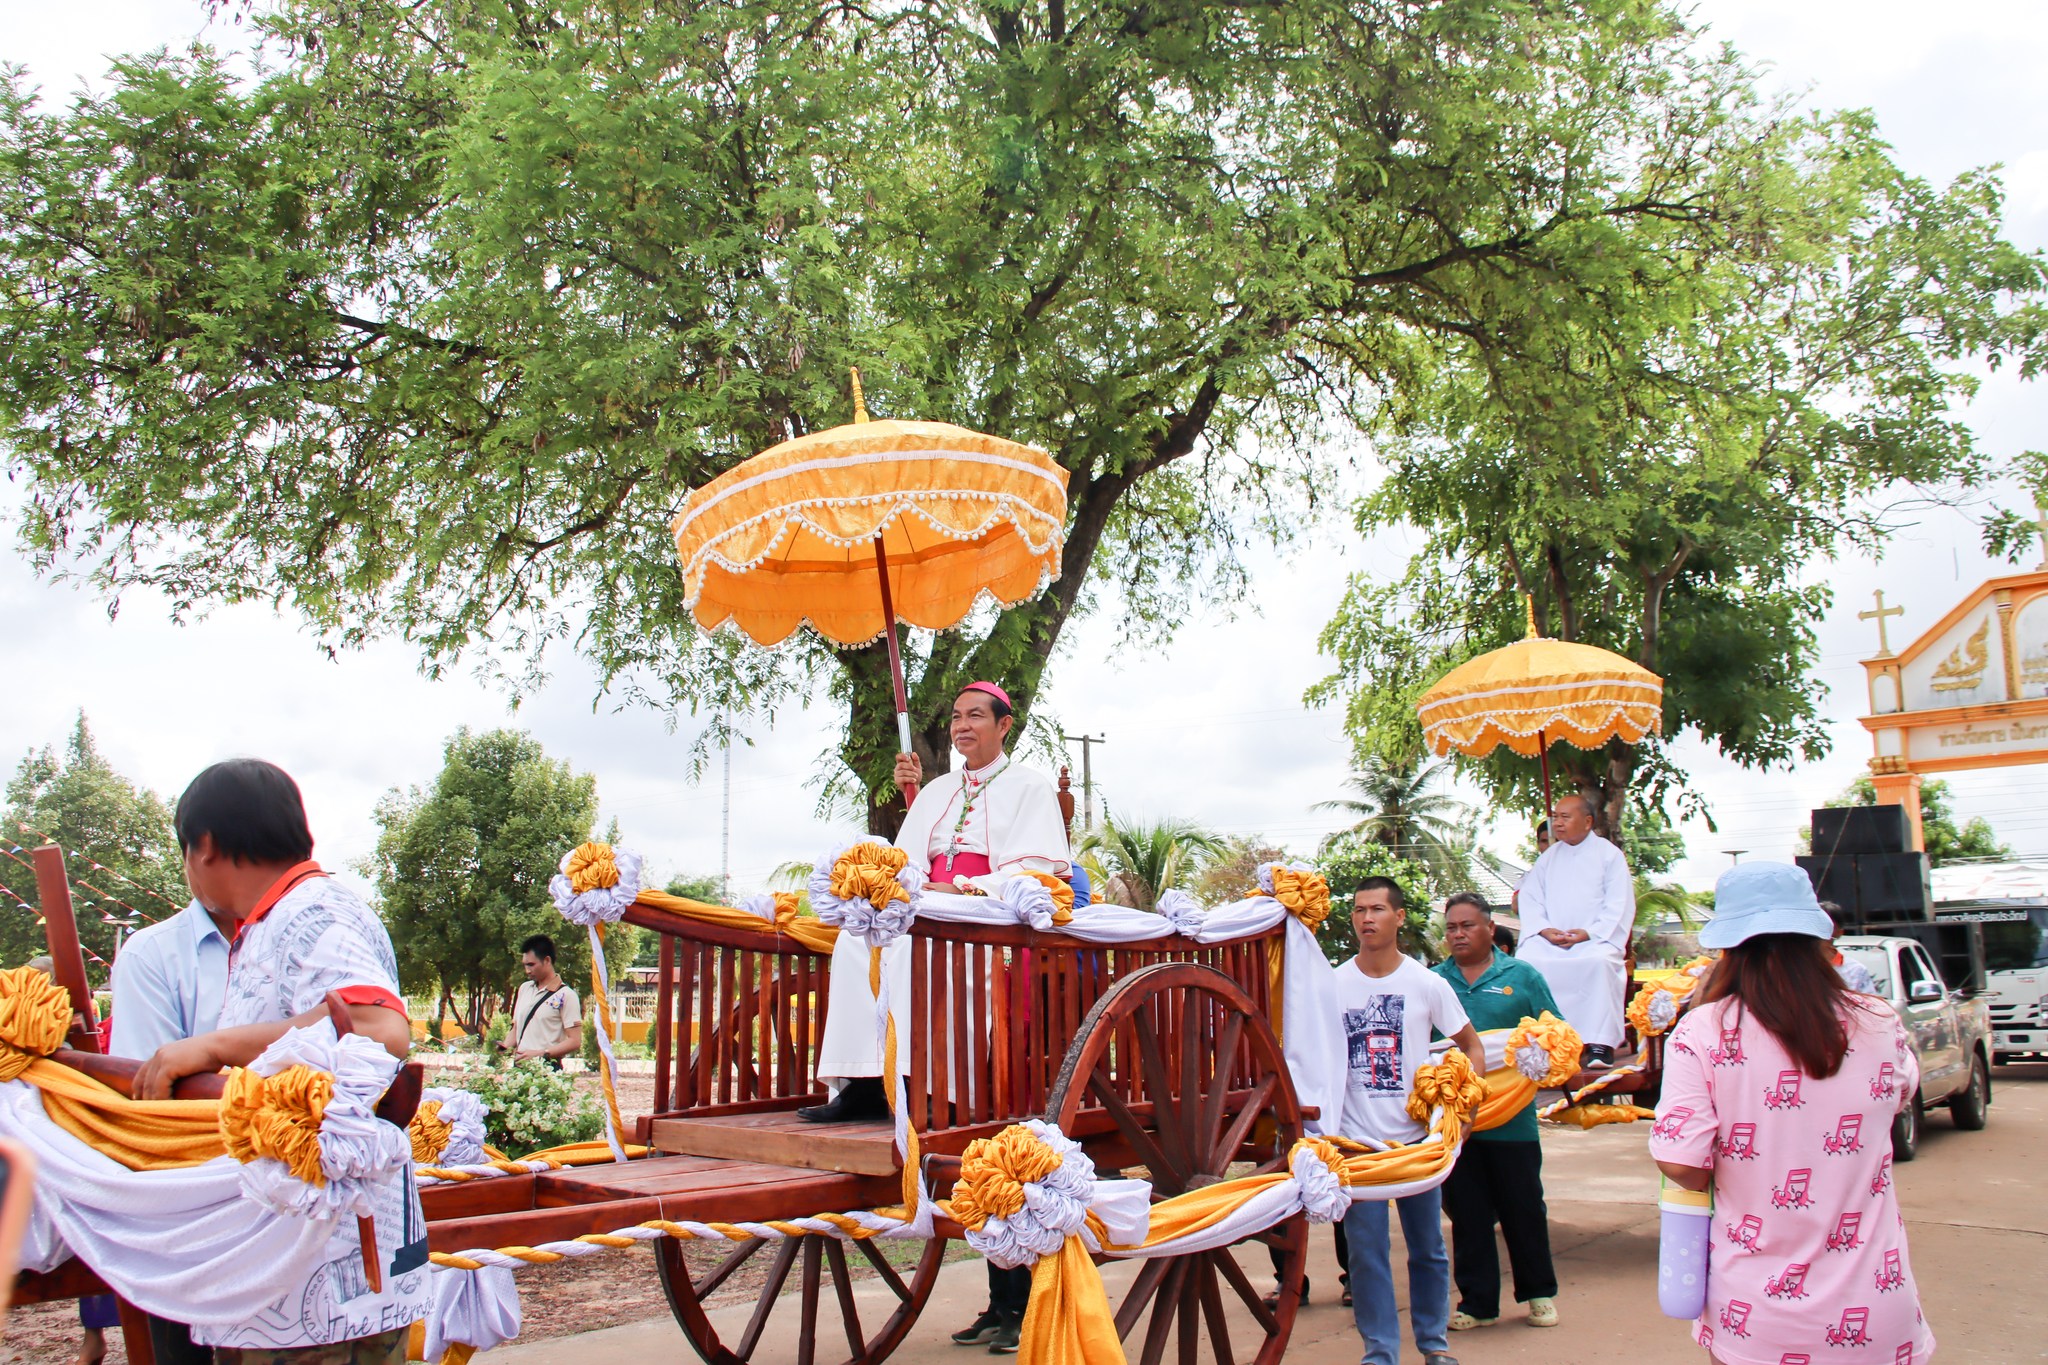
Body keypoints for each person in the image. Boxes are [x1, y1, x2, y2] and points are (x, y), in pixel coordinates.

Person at [132, 759, 430, 1363]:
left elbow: (379, 1028)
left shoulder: (311, 913)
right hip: (306, 1266)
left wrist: (213, 1047)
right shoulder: (281, 918)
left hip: (325, 1279)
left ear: (206, 845)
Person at [804, 682, 1068, 1356]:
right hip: (930, 910)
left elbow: (1040, 871)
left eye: (974, 715)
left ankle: (931, 1083)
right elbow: (908, 861)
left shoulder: (1031, 787)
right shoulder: (936, 793)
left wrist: (962, 888)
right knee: (858, 938)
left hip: (990, 920)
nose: (960, 726)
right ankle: (869, 1082)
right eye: (953, 717)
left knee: (915, 935)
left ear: (1005, 725)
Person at [1650, 861, 1932, 1365]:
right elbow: (1901, 1092)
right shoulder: (1877, 1020)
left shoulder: (1702, 1032)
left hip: (1756, 1316)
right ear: (1814, 937)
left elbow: (1683, 1166)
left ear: (1729, 947)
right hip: (1877, 1308)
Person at [1338, 876, 1485, 1365]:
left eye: (1377, 909)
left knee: (1428, 1250)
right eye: (1359, 910)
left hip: (1418, 1144)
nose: (1366, 919)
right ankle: (1380, 1353)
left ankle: (1434, 1346)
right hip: (1357, 1146)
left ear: (1399, 917)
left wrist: (1463, 1110)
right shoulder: (1334, 985)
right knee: (1367, 1257)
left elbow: (1472, 1047)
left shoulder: (1427, 983)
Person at [101, 894, 240, 1364]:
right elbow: (152, 1099)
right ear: (202, 853)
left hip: (291, 1192)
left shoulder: (301, 941)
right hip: (190, 1202)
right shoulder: (152, 952)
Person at [1433, 893, 1563, 1332]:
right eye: (1451, 927)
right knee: (1467, 1215)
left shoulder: (1522, 977)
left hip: (1513, 1120)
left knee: (1523, 1208)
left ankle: (1539, 1294)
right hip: (1457, 1123)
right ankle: (1477, 1303)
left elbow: (1556, 1032)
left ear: (1490, 928)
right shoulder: (1434, 981)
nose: (1458, 934)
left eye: (1467, 926)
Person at [1514, 796, 1634, 1068]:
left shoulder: (1609, 855)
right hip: (1552, 942)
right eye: (1555, 816)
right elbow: (1530, 899)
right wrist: (1544, 930)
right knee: (1529, 963)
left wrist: (1589, 933)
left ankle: (1598, 1044)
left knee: (1599, 963)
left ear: (1588, 821)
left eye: (1565, 817)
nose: (1557, 822)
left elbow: (1619, 903)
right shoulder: (1548, 859)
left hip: (1594, 940)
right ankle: (1541, 1042)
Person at [501, 934, 583, 1069]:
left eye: (531, 965)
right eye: (525, 965)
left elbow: (574, 1041)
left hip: (547, 1069)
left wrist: (541, 1054)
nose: (527, 971)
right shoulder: (524, 989)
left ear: (547, 960)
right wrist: (504, 1047)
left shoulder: (566, 995)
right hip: (519, 1068)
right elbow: (517, 1029)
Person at [1821, 901, 1879, 994]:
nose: (1820, 933)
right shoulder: (1797, 968)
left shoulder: (1856, 971)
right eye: (1816, 926)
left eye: (1827, 926)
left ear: (1839, 933)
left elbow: (1868, 1006)